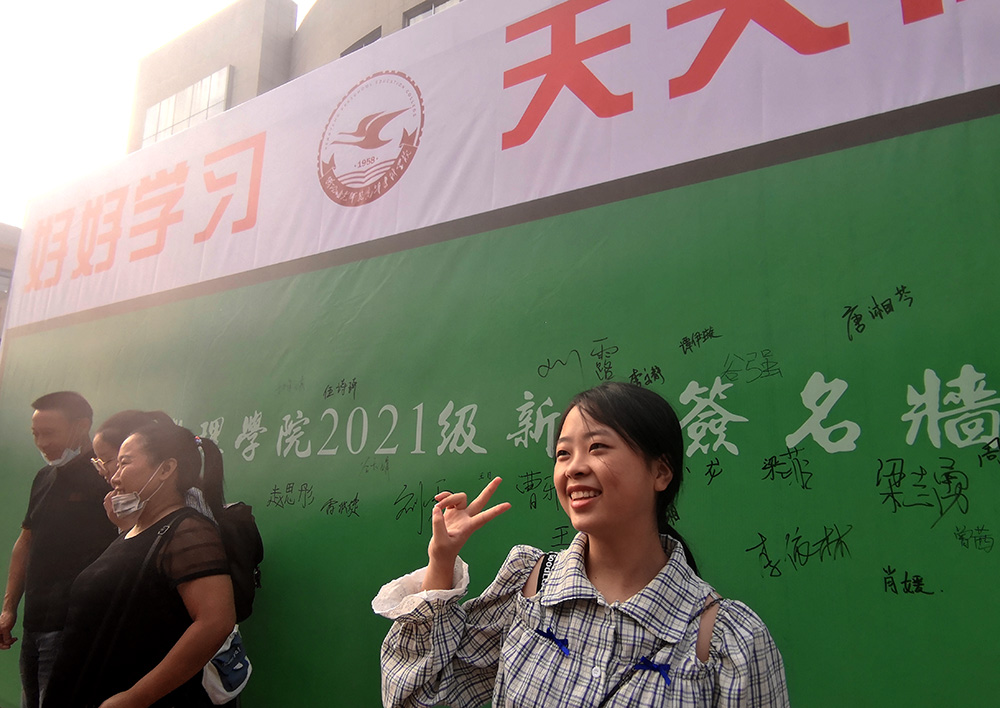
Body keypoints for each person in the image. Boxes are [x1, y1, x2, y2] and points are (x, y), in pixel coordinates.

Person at [374, 382, 789, 707]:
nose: (574, 468)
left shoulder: (726, 642)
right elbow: (420, 694)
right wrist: (441, 559)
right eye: (562, 453)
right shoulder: (530, 584)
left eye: (597, 447)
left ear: (661, 472)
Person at [44, 421, 236, 708]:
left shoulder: (187, 531)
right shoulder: (135, 530)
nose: (114, 477)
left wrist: (135, 698)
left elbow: (215, 621)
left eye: (124, 463)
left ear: (166, 469)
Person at [0, 391, 118, 708]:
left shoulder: (107, 479)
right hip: (34, 624)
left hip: (75, 626)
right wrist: (9, 609)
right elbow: (26, 541)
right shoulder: (44, 477)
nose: (42, 443)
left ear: (82, 426)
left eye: (49, 433)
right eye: (36, 434)